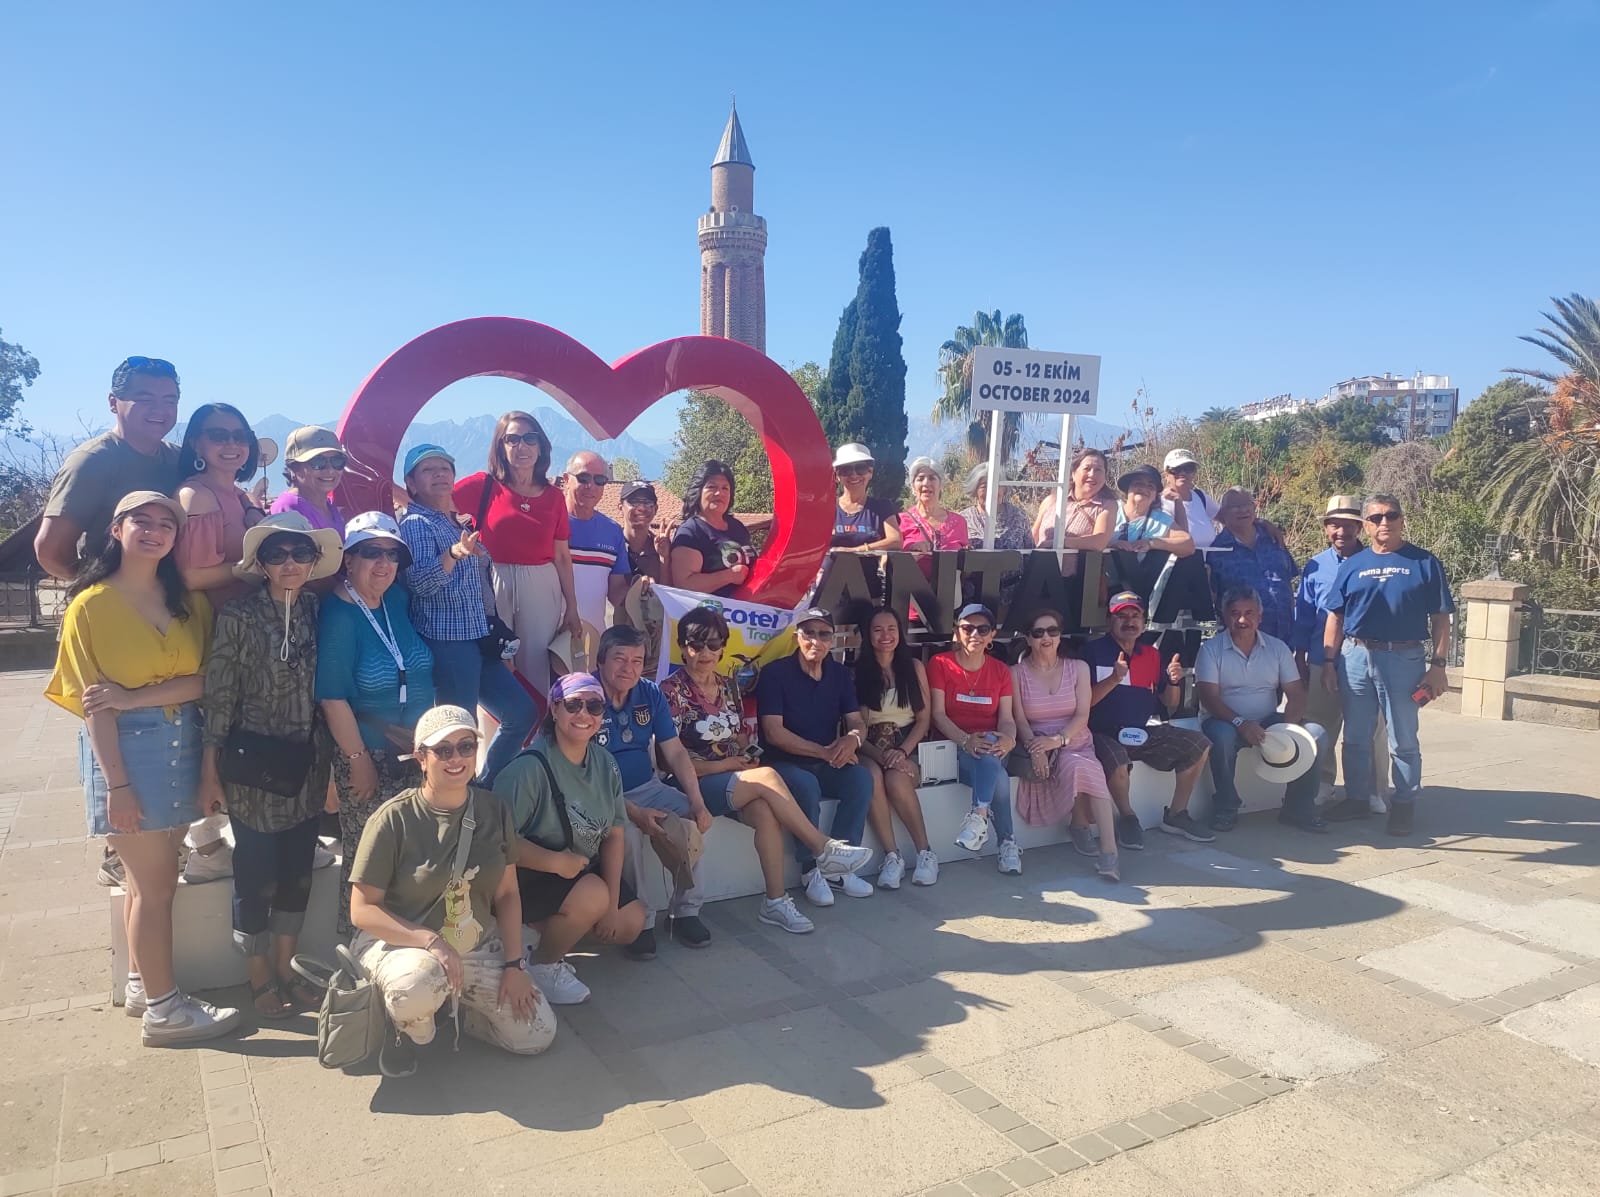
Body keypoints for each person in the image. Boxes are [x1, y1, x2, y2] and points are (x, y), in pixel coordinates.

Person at [45, 491, 241, 1045]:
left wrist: (132, 697)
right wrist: (119, 786)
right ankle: (165, 1011)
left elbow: (206, 679)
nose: (154, 531)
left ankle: (141, 985)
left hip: (182, 743)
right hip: (126, 754)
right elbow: (94, 707)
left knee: (146, 882)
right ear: (116, 529)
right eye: (141, 521)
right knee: (156, 890)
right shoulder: (90, 605)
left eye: (165, 525)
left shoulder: (188, 602)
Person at [349, 705, 555, 1076]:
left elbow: (507, 894)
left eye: (466, 746)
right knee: (413, 988)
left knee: (535, 1034)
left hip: (473, 943)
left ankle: (456, 1010)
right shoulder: (393, 819)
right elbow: (362, 910)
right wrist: (430, 941)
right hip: (404, 945)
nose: (456, 758)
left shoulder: (494, 810)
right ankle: (404, 1029)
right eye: (443, 750)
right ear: (421, 758)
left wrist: (515, 965)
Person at [200, 512, 342, 1017]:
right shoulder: (238, 615)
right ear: (260, 563)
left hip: (306, 765)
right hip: (252, 769)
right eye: (276, 554)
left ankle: (287, 966)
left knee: (297, 870)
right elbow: (219, 694)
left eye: (300, 553)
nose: (289, 563)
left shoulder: (316, 610)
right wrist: (209, 770)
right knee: (255, 871)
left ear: (313, 561)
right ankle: (258, 974)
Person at [660, 607, 873, 933]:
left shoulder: (727, 685)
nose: (705, 652)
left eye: (714, 644)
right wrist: (729, 764)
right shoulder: (669, 691)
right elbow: (668, 762)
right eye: (696, 644)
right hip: (693, 782)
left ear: (723, 647)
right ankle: (821, 848)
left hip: (732, 779)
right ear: (682, 646)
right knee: (771, 776)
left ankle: (775, 901)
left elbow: (738, 738)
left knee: (765, 812)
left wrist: (746, 754)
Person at [493, 673, 650, 1006]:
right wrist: (555, 862)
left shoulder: (605, 762)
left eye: (594, 706)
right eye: (573, 704)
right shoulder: (527, 769)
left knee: (630, 922)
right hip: (525, 874)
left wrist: (611, 906)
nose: (584, 714)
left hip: (577, 866)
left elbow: (615, 833)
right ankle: (542, 963)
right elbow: (496, 842)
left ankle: (549, 933)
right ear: (554, 709)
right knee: (593, 896)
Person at [316, 511, 436, 936]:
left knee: (414, 863)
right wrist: (357, 760)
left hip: (415, 756)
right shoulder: (338, 615)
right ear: (349, 559)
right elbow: (332, 697)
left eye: (392, 554)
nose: (384, 563)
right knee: (368, 867)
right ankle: (359, 955)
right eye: (371, 552)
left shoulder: (395, 600)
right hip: (371, 758)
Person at [399, 444, 536, 786]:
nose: (439, 474)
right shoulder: (416, 524)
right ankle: (459, 796)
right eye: (428, 470)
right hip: (447, 643)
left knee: (521, 712)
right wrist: (454, 553)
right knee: (458, 732)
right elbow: (419, 583)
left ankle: (483, 788)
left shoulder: (454, 521)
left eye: (445, 468)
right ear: (411, 484)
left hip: (477, 638)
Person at [1321, 494, 1455, 837]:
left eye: (1391, 515)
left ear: (1401, 519)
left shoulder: (1424, 562)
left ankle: (1404, 804)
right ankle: (1356, 800)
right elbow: (1336, 617)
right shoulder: (1353, 564)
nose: (1384, 522)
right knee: (1355, 736)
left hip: (1403, 658)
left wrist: (1438, 666)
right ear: (1365, 525)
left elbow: (1441, 618)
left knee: (1403, 738)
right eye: (1376, 517)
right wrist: (1330, 662)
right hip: (1355, 656)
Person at [591, 625, 714, 958]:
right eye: (619, 659)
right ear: (600, 660)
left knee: (691, 819)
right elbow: (580, 774)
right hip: (600, 795)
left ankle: (687, 910)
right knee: (627, 834)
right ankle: (640, 922)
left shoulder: (649, 693)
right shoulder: (586, 696)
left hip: (648, 786)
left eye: (637, 660)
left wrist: (697, 802)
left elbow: (675, 752)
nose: (628, 668)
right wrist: (633, 812)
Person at [452, 412, 581, 700]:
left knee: (537, 663)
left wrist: (572, 606)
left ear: (540, 446)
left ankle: (537, 724)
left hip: (541, 583)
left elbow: (562, 556)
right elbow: (431, 502)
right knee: (495, 659)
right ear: (501, 446)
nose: (522, 446)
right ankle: (501, 724)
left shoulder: (554, 497)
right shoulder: (483, 486)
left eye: (529, 438)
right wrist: (388, 489)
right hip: (493, 580)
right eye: (512, 439)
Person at [756, 608, 878, 906]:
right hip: (781, 763)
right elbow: (773, 732)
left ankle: (838, 869)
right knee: (806, 785)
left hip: (826, 761)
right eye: (809, 633)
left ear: (832, 640)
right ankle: (810, 870)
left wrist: (852, 739)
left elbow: (856, 721)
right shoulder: (775, 673)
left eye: (824, 634)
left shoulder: (839, 674)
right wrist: (824, 752)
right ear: (797, 637)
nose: (816, 641)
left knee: (861, 778)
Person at [36, 357, 184, 582]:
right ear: (113, 403)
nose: (159, 410)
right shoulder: (92, 461)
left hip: (172, 595)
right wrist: (100, 588)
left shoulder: (179, 459)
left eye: (169, 401)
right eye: (145, 399)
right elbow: (51, 550)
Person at [1083, 591, 1214, 844]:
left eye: (1136, 616)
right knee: (1117, 760)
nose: (1129, 621)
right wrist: (1114, 679)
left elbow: (1170, 703)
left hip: (1140, 732)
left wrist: (1174, 681)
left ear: (1144, 622)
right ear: (1110, 621)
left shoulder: (1152, 655)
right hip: (1101, 734)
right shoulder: (1091, 652)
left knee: (1199, 744)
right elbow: (1083, 703)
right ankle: (1127, 818)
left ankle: (1176, 814)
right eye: (1122, 616)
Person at [1197, 587, 1327, 833]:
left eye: (1249, 613)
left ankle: (1298, 808)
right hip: (1224, 721)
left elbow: (1296, 693)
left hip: (1268, 720)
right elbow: (1208, 697)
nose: (1242, 620)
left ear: (1260, 616)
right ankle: (1226, 807)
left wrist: (1287, 729)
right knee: (1222, 737)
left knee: (1317, 735)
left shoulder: (1278, 648)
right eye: (1235, 613)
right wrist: (1241, 723)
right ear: (1225, 616)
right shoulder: (1211, 649)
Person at [1011, 608, 1120, 881]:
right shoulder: (1015, 673)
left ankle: (1109, 852)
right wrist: (1036, 748)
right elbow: (1020, 720)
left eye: (1052, 631)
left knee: (1085, 765)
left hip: (1075, 738)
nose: (1046, 637)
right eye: (1038, 632)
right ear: (1028, 638)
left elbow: (1082, 714)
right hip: (1038, 741)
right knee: (1083, 767)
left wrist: (1058, 740)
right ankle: (1080, 827)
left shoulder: (1078, 668)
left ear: (1060, 636)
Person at [1293, 495, 1389, 804]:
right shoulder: (1316, 565)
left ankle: (1373, 790)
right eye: (1334, 525)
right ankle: (1322, 783)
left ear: (1360, 527)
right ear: (1325, 528)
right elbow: (1304, 613)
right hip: (1321, 656)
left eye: (1348, 525)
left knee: (1370, 728)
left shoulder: (1377, 562)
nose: (1340, 532)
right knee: (1319, 723)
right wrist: (1299, 656)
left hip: (1366, 657)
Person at [927, 603, 1022, 875]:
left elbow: (1006, 718)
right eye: (968, 628)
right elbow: (937, 715)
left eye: (983, 629)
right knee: (998, 777)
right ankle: (1007, 842)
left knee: (990, 749)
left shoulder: (1001, 671)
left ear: (992, 635)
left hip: (991, 748)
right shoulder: (940, 664)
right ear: (957, 631)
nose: (974, 635)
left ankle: (978, 818)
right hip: (953, 748)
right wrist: (965, 740)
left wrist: (1010, 739)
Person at [853, 607, 937, 888]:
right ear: (868, 635)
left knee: (897, 780)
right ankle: (892, 856)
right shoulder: (859, 673)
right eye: (877, 630)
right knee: (871, 777)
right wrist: (881, 755)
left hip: (906, 744)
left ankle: (925, 853)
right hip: (869, 747)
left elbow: (924, 720)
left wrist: (901, 753)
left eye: (891, 629)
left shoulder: (914, 668)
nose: (885, 635)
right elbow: (857, 727)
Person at [174, 402, 268, 595]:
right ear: (195, 444)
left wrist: (253, 508)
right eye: (219, 436)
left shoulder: (234, 493)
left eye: (241, 436)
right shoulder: (196, 496)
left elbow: (245, 495)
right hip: (222, 612)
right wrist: (254, 566)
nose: (232, 444)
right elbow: (192, 577)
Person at [1209, 488, 1299, 643]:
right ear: (1223, 512)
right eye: (1235, 506)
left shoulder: (1273, 539)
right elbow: (1212, 597)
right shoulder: (1217, 551)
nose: (1243, 510)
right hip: (1241, 643)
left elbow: (1289, 580)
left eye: (1247, 504)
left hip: (1285, 638)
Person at [1105, 464, 1195, 611]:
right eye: (1138, 483)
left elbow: (1188, 544)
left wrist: (1152, 543)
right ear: (1127, 490)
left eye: (1150, 486)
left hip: (1137, 592)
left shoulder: (1159, 519)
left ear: (1155, 496)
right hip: (1102, 584)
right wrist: (1112, 544)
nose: (1144, 488)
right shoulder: (1110, 509)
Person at [562, 449, 631, 627]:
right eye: (583, 478)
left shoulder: (613, 531)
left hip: (593, 637)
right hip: (547, 635)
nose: (591, 486)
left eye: (599, 480)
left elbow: (616, 593)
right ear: (566, 479)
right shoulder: (547, 523)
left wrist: (642, 589)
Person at [671, 459, 757, 597]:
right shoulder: (691, 532)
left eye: (725, 488)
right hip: (711, 610)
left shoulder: (737, 526)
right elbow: (684, 584)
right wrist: (729, 576)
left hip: (752, 606)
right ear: (698, 491)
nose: (719, 493)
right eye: (712, 487)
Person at [618, 480, 672, 672]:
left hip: (651, 649)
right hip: (613, 640)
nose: (641, 508)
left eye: (648, 503)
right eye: (634, 502)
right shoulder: (610, 545)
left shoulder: (663, 546)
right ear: (620, 507)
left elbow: (668, 597)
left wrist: (664, 558)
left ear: (655, 509)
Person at [1030, 448, 1117, 552]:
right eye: (1087, 468)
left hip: (1078, 563)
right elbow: (1032, 540)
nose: (1092, 474)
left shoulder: (1107, 506)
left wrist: (1058, 543)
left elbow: (1099, 542)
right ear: (1073, 473)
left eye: (1098, 470)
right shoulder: (1051, 501)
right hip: (1040, 561)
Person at [269, 426, 349, 536]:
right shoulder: (289, 509)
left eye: (337, 461)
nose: (330, 470)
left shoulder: (329, 507)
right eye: (318, 462)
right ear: (294, 467)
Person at [830, 443, 902, 552]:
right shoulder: (827, 509)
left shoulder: (882, 507)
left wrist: (855, 550)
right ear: (837, 476)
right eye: (846, 470)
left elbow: (895, 541)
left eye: (860, 468)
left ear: (870, 472)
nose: (854, 475)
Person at [899, 457, 968, 560]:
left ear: (941, 484)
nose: (926, 483)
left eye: (932, 478)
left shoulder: (959, 522)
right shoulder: (900, 521)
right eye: (920, 479)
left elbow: (966, 563)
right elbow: (888, 561)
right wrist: (911, 552)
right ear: (913, 486)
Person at [958, 464, 1032, 551]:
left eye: (997, 485)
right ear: (974, 490)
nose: (991, 491)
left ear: (1004, 489)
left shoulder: (1019, 516)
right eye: (984, 486)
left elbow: (1030, 551)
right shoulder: (963, 519)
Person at [1159, 449, 1221, 550]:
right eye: (1176, 469)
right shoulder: (1160, 504)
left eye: (1188, 468)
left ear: (1194, 473)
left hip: (1211, 559)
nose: (1183, 473)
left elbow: (1227, 518)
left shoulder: (1201, 497)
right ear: (1166, 475)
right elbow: (1181, 541)